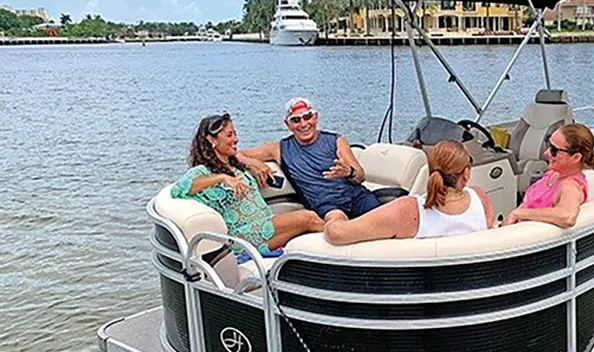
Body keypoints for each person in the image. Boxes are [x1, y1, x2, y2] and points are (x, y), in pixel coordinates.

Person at [171, 113, 324, 254]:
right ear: (212, 140)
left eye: (235, 134)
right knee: (308, 218)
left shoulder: (236, 165)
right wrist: (222, 178)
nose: (236, 140)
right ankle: (344, 245)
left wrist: (250, 163)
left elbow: (243, 155)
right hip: (241, 236)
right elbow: (178, 190)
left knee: (307, 230)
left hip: (264, 225)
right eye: (229, 135)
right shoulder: (203, 171)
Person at [322, 140, 495, 245]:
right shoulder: (481, 199)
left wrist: (335, 216)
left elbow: (336, 234)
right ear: (466, 173)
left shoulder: (408, 210)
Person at [239, 98, 380, 220]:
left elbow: (360, 176)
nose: (303, 124)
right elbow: (234, 153)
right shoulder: (279, 149)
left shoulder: (336, 140)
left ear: (315, 118)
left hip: (357, 197)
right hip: (327, 207)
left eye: (307, 117)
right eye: (296, 120)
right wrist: (253, 163)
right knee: (337, 222)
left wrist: (349, 172)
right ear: (288, 125)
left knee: (382, 215)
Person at [502, 124, 594, 229]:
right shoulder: (553, 174)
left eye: (554, 150)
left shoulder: (569, 186)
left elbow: (567, 216)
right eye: (549, 145)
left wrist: (518, 213)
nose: (546, 153)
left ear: (576, 158)